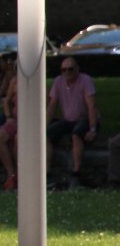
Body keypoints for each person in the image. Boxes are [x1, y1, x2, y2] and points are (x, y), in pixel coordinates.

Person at [47, 56, 99, 187]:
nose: (67, 72)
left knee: (76, 134)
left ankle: (76, 174)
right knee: (45, 134)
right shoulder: (58, 82)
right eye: (63, 70)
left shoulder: (86, 81)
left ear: (77, 69)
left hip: (85, 118)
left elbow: (91, 106)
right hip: (68, 120)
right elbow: (52, 105)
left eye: (70, 69)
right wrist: (44, 125)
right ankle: (47, 174)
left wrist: (92, 129)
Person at [0, 72, 19, 190]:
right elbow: (4, 100)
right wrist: (8, 117)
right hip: (14, 118)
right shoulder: (13, 80)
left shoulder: (39, 82)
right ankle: (11, 175)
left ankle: (20, 175)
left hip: (30, 121)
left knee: (18, 139)